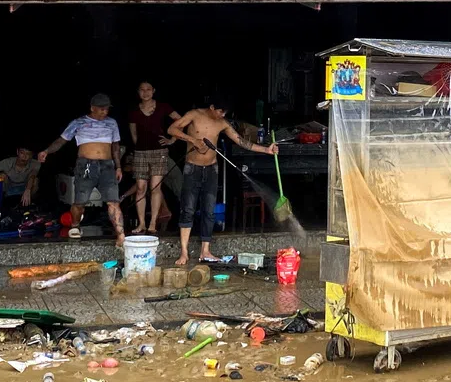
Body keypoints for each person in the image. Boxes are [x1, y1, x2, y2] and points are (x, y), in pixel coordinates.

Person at [169, 98, 277, 265]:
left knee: (209, 210)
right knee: (188, 209)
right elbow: (172, 129)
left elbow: (241, 141)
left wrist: (266, 149)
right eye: (220, 111)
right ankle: (184, 252)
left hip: (212, 169)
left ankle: (205, 251)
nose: (222, 115)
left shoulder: (223, 123)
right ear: (212, 107)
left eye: (225, 113)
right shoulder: (194, 115)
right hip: (192, 168)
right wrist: (193, 140)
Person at [38, 93, 125, 242]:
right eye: (101, 109)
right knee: (80, 202)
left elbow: (115, 147)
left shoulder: (112, 123)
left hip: (107, 166)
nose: (105, 112)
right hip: (85, 165)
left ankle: (121, 235)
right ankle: (75, 225)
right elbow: (61, 141)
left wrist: (118, 167)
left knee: (113, 201)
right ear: (92, 108)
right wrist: (46, 151)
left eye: (106, 109)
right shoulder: (78, 122)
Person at [127, 82, 179, 235]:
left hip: (159, 151)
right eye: (142, 90)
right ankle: (141, 223)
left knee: (155, 187)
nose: (145, 92)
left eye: (148, 89)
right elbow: (134, 134)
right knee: (141, 188)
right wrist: (140, 149)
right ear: (138, 92)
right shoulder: (134, 111)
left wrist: (172, 139)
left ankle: (152, 223)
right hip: (141, 153)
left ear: (154, 91)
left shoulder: (163, 107)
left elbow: (181, 121)